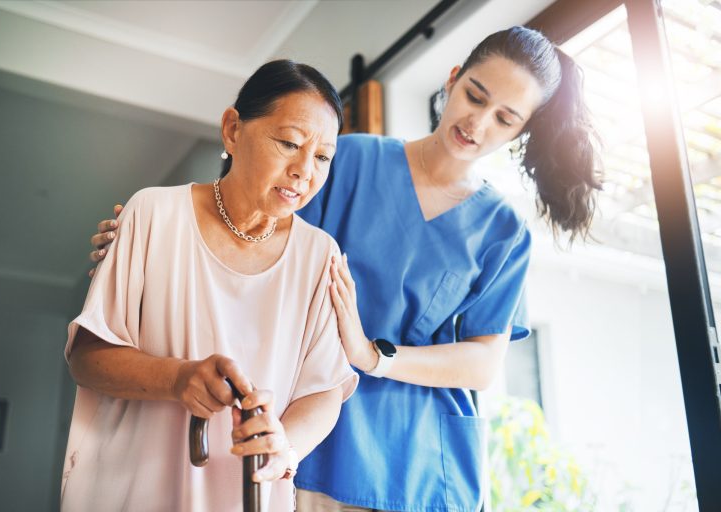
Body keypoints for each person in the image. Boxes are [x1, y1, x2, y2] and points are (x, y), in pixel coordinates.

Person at [89, 27, 601, 512]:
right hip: (316, 441)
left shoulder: (504, 230)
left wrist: (371, 355)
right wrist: (152, 239)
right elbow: (256, 228)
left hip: (427, 466)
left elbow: (483, 365)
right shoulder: (348, 160)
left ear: (522, 129)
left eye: (506, 119)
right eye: (475, 95)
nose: (478, 123)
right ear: (452, 79)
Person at [62, 59, 358, 512]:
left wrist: (286, 446)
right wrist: (178, 378)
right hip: (132, 489)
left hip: (247, 496)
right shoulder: (152, 214)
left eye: (322, 157)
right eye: (289, 143)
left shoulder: (321, 257)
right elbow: (86, 359)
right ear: (233, 130)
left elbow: (324, 391)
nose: (304, 171)